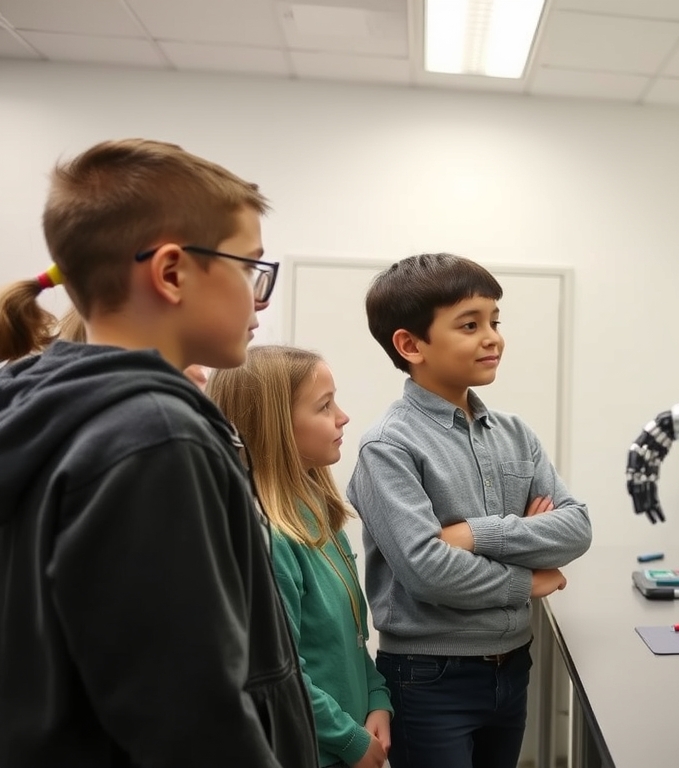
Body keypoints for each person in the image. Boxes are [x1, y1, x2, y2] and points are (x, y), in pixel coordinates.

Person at [0, 138, 317, 767]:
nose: (260, 297)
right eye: (249, 267)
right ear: (171, 272)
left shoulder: (41, 404)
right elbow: (185, 710)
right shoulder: (155, 437)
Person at [347, 253, 592, 768]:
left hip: (513, 665)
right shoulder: (388, 447)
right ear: (411, 345)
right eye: (469, 324)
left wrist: (475, 535)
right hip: (427, 676)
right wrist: (529, 576)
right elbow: (428, 571)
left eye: (495, 321)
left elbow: (575, 527)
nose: (493, 337)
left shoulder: (515, 432)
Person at [208, 345, 394, 768]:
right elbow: (281, 673)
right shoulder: (268, 541)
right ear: (275, 426)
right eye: (324, 406)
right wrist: (350, 741)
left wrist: (377, 699)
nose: (343, 417)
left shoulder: (317, 516)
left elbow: (348, 637)